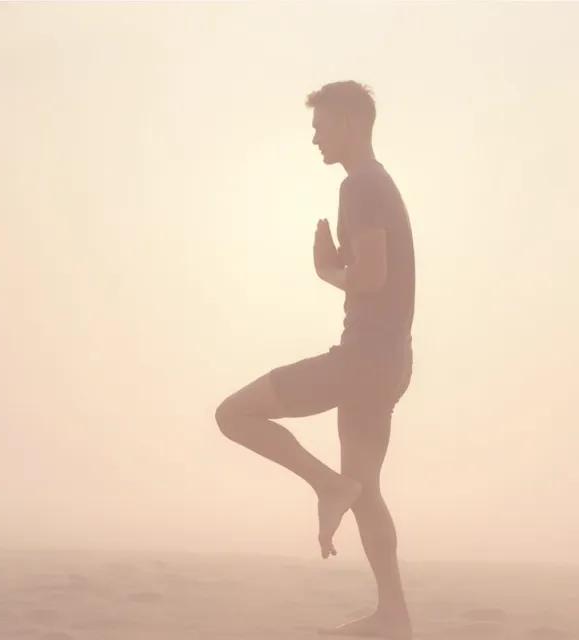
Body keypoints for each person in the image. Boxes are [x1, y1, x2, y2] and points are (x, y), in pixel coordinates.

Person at [215, 80, 417, 639]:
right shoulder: (375, 184)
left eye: (320, 126)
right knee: (367, 490)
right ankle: (393, 613)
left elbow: (371, 278)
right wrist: (339, 267)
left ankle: (326, 486)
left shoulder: (362, 186)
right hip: (388, 362)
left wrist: (327, 270)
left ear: (349, 123)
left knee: (234, 415)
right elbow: (378, 277)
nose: (313, 138)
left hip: (363, 360)